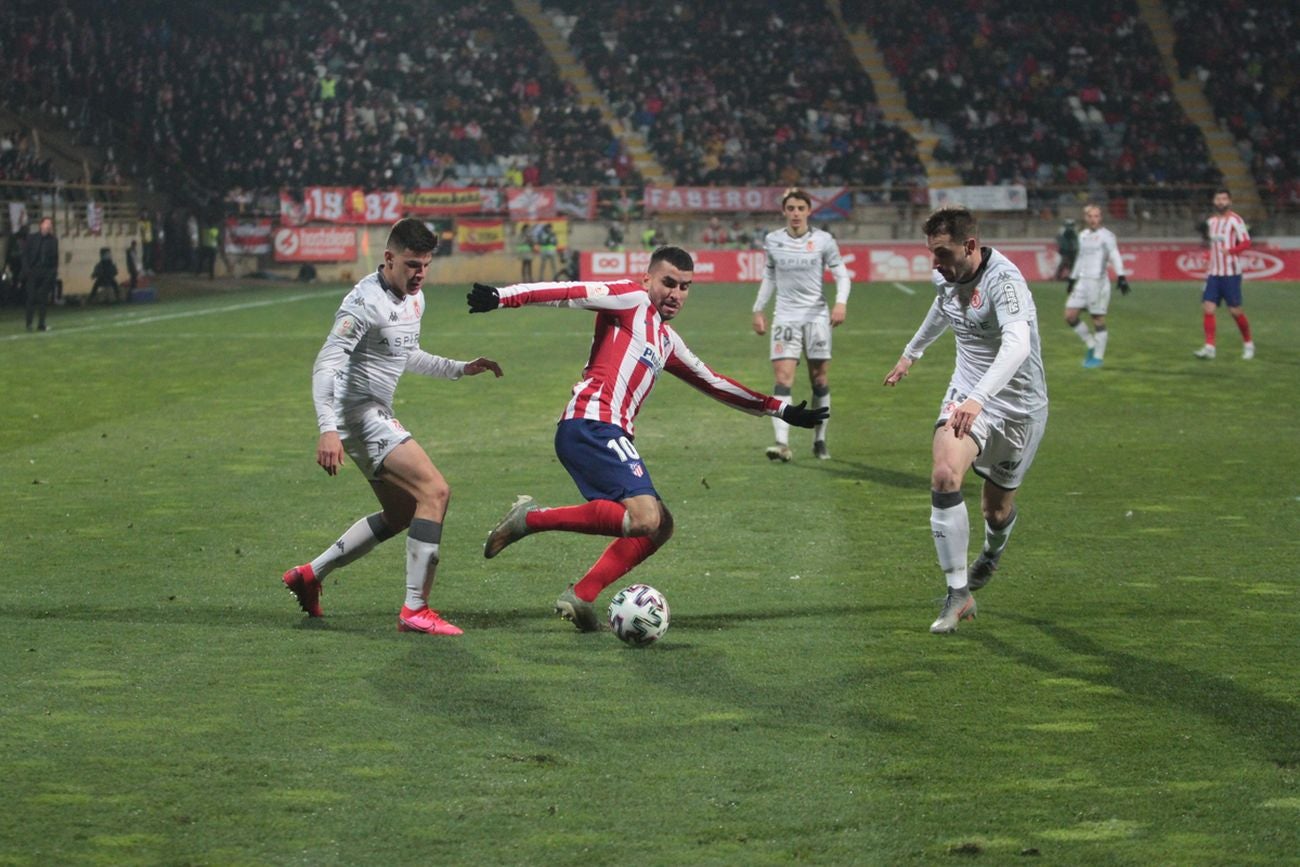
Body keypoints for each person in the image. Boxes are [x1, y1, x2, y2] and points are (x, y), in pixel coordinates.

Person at [466, 246, 827, 631]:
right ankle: (531, 519)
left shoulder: (667, 340)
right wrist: (503, 297)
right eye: (668, 283)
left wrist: (781, 409)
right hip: (591, 423)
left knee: (660, 525)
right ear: (648, 279)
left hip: (608, 431)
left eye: (685, 287)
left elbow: (714, 382)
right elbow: (571, 292)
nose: (676, 293)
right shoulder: (631, 299)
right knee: (645, 518)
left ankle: (581, 595)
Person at [281, 218, 504, 636]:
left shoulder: (414, 300)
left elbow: (407, 355)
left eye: (425, 265)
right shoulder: (362, 303)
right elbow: (326, 364)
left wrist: (460, 368)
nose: (419, 274)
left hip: (373, 410)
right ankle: (415, 610)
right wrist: (327, 428)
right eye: (411, 264)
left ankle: (310, 575)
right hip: (358, 414)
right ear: (388, 258)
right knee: (435, 491)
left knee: (402, 513)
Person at [882, 206, 1048, 634]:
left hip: (1018, 408)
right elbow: (942, 308)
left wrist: (979, 398)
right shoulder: (947, 275)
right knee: (943, 475)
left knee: (996, 510)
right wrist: (910, 353)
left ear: (970, 246)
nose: (935, 264)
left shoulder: (1005, 282)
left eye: (942, 253)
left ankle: (992, 551)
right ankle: (958, 593)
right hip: (967, 394)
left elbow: (1017, 346)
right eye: (932, 253)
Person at [751, 188, 851, 461]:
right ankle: (781, 443)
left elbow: (842, 275)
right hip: (784, 317)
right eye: (791, 208)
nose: (795, 213)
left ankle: (819, 439)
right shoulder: (773, 240)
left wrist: (840, 303)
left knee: (819, 379)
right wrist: (758, 308)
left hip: (816, 317)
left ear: (809, 211)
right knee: (783, 378)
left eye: (800, 208)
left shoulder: (823, 240)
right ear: (784, 211)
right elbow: (769, 276)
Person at [1066, 204, 1130, 368]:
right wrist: (1072, 279)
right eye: (1090, 216)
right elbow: (1080, 257)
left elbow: (1114, 255)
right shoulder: (1083, 235)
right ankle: (1091, 343)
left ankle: (1098, 356)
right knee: (1070, 315)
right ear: (1085, 218)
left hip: (1098, 282)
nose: (1093, 219)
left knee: (1097, 318)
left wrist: (1121, 276)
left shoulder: (1107, 236)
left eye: (1096, 216)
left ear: (1100, 218)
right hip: (1082, 282)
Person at [1194, 189, 1254, 360]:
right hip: (1213, 272)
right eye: (1218, 199)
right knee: (1208, 307)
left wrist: (1232, 251)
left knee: (1235, 311)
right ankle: (1209, 347)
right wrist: (1208, 256)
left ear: (1229, 201)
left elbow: (1246, 242)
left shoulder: (1236, 220)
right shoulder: (1211, 222)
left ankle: (1248, 344)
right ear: (1214, 201)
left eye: (1224, 199)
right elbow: (1212, 245)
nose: (1221, 202)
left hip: (1230, 273)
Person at [22, 217, 58, 332]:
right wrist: (27, 270)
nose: (48, 226)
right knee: (31, 298)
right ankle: (29, 324)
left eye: (50, 224)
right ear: (41, 225)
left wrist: (52, 273)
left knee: (43, 299)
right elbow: (25, 255)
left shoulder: (53, 240)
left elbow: (55, 258)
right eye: (46, 223)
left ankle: (41, 324)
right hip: (33, 272)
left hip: (46, 272)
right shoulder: (32, 238)